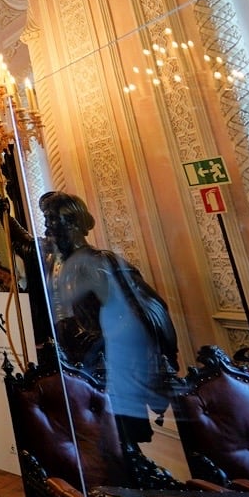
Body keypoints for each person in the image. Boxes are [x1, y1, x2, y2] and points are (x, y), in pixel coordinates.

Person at [38, 190, 178, 444]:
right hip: (79, 362)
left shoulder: (98, 262)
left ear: (71, 223)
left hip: (107, 363)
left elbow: (136, 311)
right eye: (46, 221)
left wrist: (97, 336)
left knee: (118, 438)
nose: (48, 228)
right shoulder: (63, 262)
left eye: (52, 220)